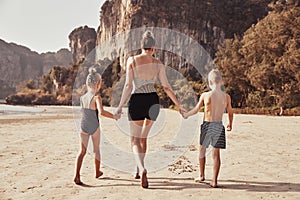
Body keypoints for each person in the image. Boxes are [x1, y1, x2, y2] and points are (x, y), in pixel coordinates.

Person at [116, 30, 185, 188]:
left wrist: (120, 106)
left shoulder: (132, 60)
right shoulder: (158, 63)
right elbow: (166, 87)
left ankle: (141, 168)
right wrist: (179, 106)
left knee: (134, 140)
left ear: (141, 47)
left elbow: (128, 85)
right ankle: (138, 169)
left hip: (137, 100)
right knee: (143, 139)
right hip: (153, 101)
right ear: (153, 48)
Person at [183, 69, 233, 188]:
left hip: (207, 125)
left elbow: (196, 110)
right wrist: (230, 123)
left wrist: (186, 115)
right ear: (221, 82)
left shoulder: (206, 95)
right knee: (216, 154)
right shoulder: (226, 97)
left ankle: (201, 175)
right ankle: (214, 181)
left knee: (202, 151)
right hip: (218, 125)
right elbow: (231, 112)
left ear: (210, 82)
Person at [74, 67, 120, 185]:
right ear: (98, 84)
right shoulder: (97, 97)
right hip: (94, 126)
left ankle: (77, 175)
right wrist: (114, 116)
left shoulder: (82, 98)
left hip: (83, 125)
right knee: (96, 150)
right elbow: (101, 112)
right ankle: (97, 172)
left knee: (82, 151)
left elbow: (83, 112)